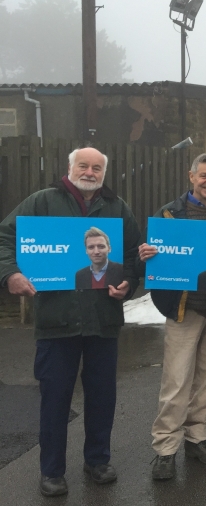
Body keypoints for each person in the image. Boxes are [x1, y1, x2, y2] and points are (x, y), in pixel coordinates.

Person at [0, 147, 141, 497]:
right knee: (54, 398)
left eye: (97, 167)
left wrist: (129, 283)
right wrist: (9, 274)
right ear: (71, 167)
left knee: (102, 396)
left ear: (104, 173)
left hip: (103, 321)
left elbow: (133, 255)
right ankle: (51, 470)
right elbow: (4, 238)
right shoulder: (42, 201)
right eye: (84, 165)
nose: (90, 172)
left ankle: (97, 461)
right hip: (56, 321)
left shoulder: (117, 208)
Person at [140, 153, 206, 481]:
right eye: (204, 176)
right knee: (176, 380)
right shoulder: (170, 214)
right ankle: (165, 448)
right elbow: (152, 256)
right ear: (191, 177)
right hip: (183, 308)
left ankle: (197, 437)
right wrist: (146, 254)